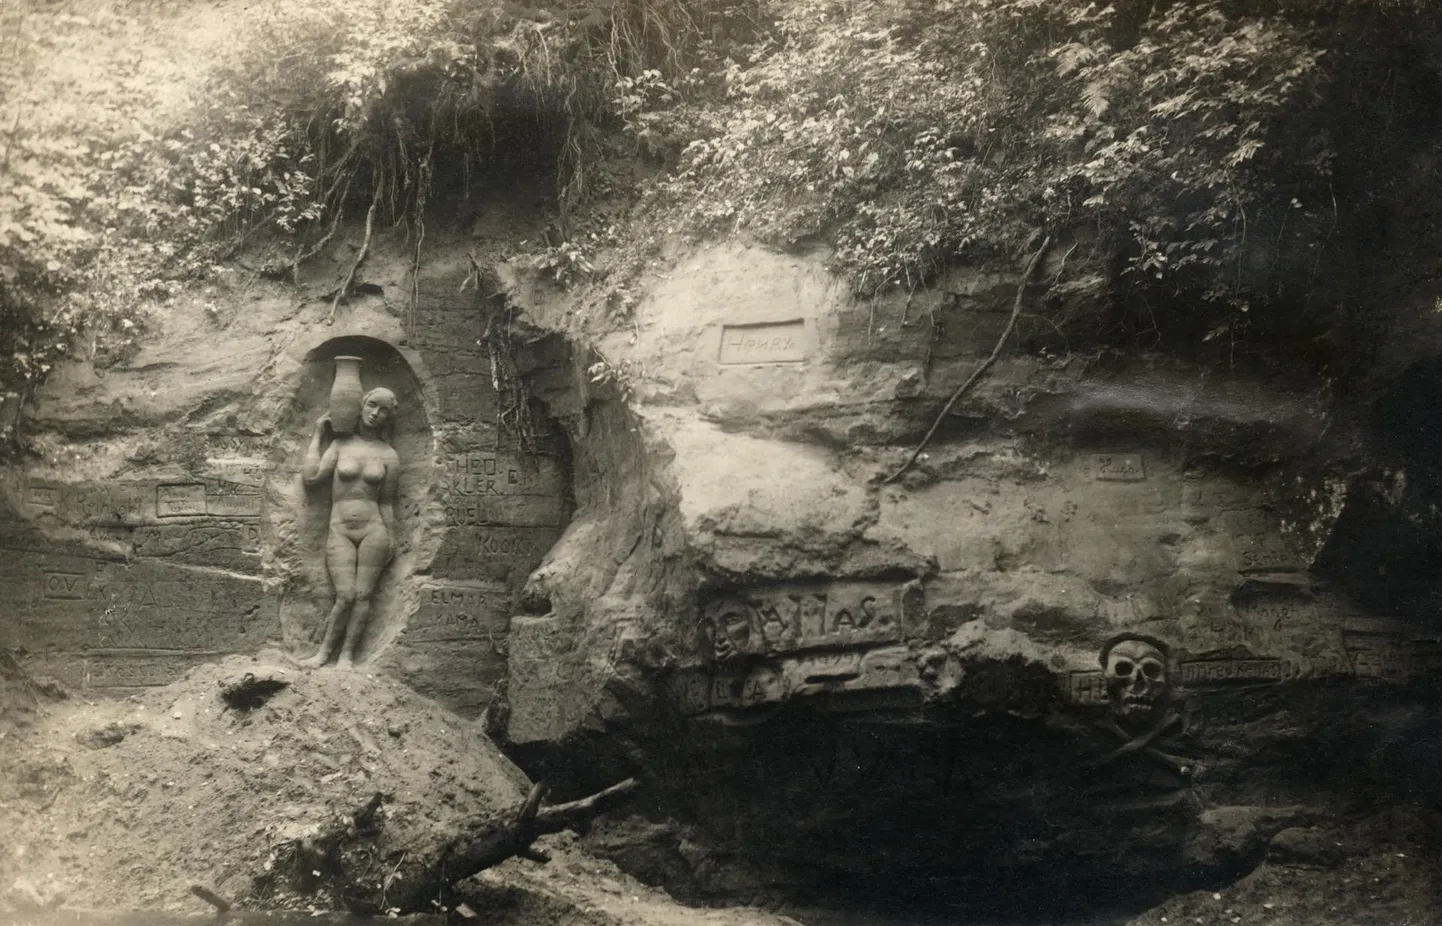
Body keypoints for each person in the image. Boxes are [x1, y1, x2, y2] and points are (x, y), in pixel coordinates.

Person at [300, 387, 400, 669]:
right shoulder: (341, 445)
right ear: (361, 404)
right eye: (371, 405)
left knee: (363, 595)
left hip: (374, 531)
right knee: (345, 596)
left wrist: (391, 537)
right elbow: (311, 477)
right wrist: (319, 435)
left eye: (382, 410)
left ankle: (346, 656)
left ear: (388, 418)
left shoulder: (389, 455)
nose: (374, 413)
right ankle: (322, 654)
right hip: (340, 529)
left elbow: (388, 502)